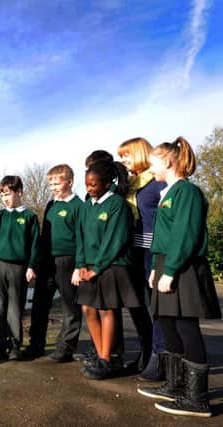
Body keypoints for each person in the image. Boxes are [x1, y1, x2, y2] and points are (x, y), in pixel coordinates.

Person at [137, 137, 221, 417]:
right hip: (163, 265)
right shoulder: (168, 193)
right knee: (168, 324)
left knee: (186, 328)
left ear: (169, 161)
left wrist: (170, 271)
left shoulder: (187, 192)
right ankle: (176, 386)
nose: (150, 170)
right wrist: (154, 269)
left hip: (181, 268)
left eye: (153, 164)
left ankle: (197, 399)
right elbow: (163, 236)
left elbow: (185, 235)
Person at [73, 160, 143, 380]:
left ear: (107, 183)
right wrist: (81, 264)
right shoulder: (86, 206)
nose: (89, 189)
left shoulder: (117, 205)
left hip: (111, 266)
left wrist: (98, 267)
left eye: (93, 184)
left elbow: (116, 240)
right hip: (89, 266)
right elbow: (81, 238)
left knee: (106, 310)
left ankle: (106, 359)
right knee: (88, 310)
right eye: (86, 185)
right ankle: (100, 352)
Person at [118, 137, 167, 380]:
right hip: (134, 253)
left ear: (139, 153)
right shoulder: (130, 184)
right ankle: (146, 350)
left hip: (153, 253)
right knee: (137, 306)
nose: (123, 159)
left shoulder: (157, 183)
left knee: (155, 307)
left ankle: (160, 356)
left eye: (126, 155)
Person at [24, 164, 83, 362]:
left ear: (70, 181)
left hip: (68, 262)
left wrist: (79, 266)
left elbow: (82, 239)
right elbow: (43, 235)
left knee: (70, 307)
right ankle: (36, 345)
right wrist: (35, 263)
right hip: (47, 262)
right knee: (40, 304)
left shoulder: (79, 207)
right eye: (50, 183)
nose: (53, 187)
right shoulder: (51, 205)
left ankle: (65, 348)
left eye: (57, 183)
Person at [0, 176, 39, 361]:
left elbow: (34, 245)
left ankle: (15, 345)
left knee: (15, 308)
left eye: (8, 193)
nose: (5, 198)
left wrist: (31, 266)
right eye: (2, 194)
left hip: (18, 268)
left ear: (19, 192)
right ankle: (0, 344)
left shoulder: (29, 217)